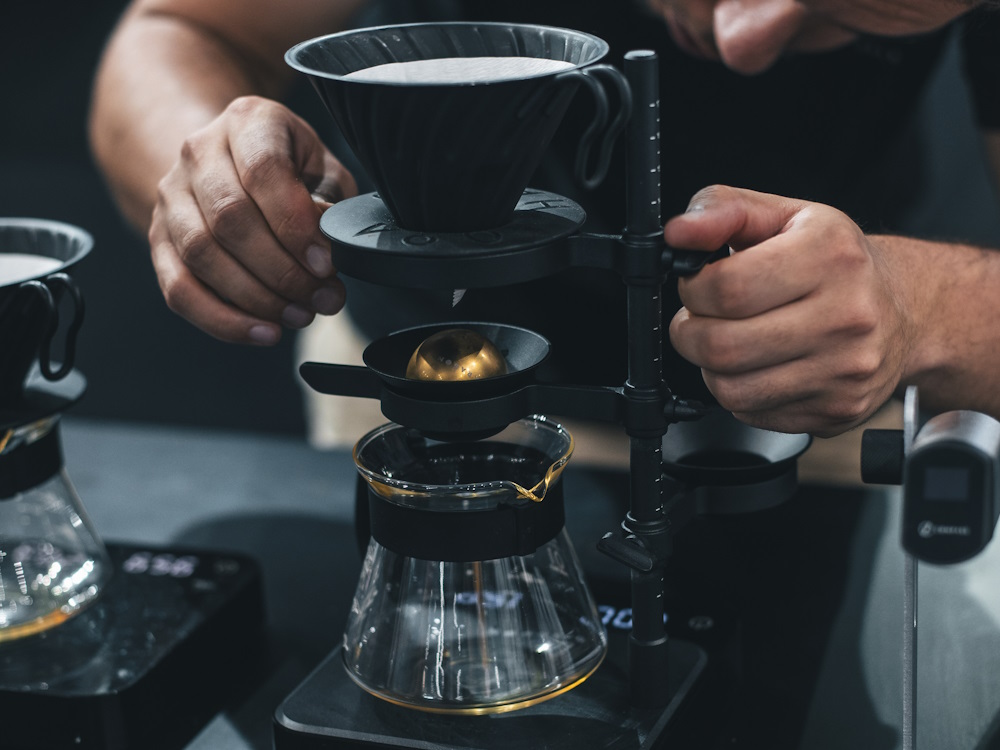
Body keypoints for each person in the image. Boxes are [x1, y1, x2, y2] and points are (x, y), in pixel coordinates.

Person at [87, 0, 1000, 445]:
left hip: (813, 412)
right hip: (412, 389)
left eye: (847, 8)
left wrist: (926, 309)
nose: (744, 38)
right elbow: (174, 29)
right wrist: (213, 175)